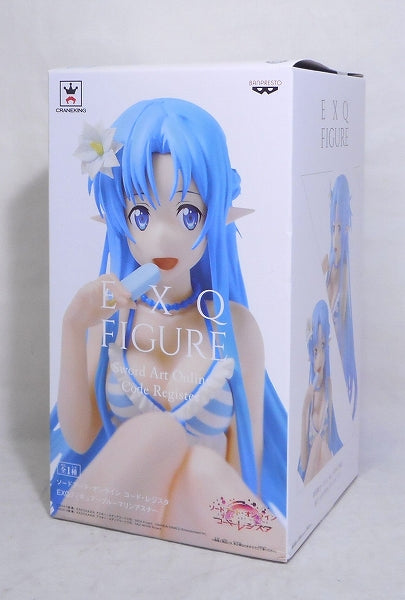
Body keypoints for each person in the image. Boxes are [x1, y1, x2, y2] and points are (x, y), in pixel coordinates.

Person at [50, 98, 287, 547]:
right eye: (140, 215)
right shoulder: (110, 322)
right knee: (155, 434)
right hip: (124, 514)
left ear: (216, 214)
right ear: (118, 218)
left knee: (202, 468)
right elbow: (79, 440)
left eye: (188, 214)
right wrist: (72, 327)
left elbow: (243, 471)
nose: (162, 237)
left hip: (199, 520)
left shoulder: (235, 328)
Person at [298, 300, 343, 484]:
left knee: (322, 446)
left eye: (323, 347)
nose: (320, 359)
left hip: (326, 467)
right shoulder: (309, 396)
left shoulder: (329, 387)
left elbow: (331, 435)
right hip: (312, 474)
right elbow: (303, 457)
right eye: (315, 350)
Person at [324, 174, 357, 417]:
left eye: (341, 228)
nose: (336, 238)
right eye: (333, 228)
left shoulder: (348, 285)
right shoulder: (324, 267)